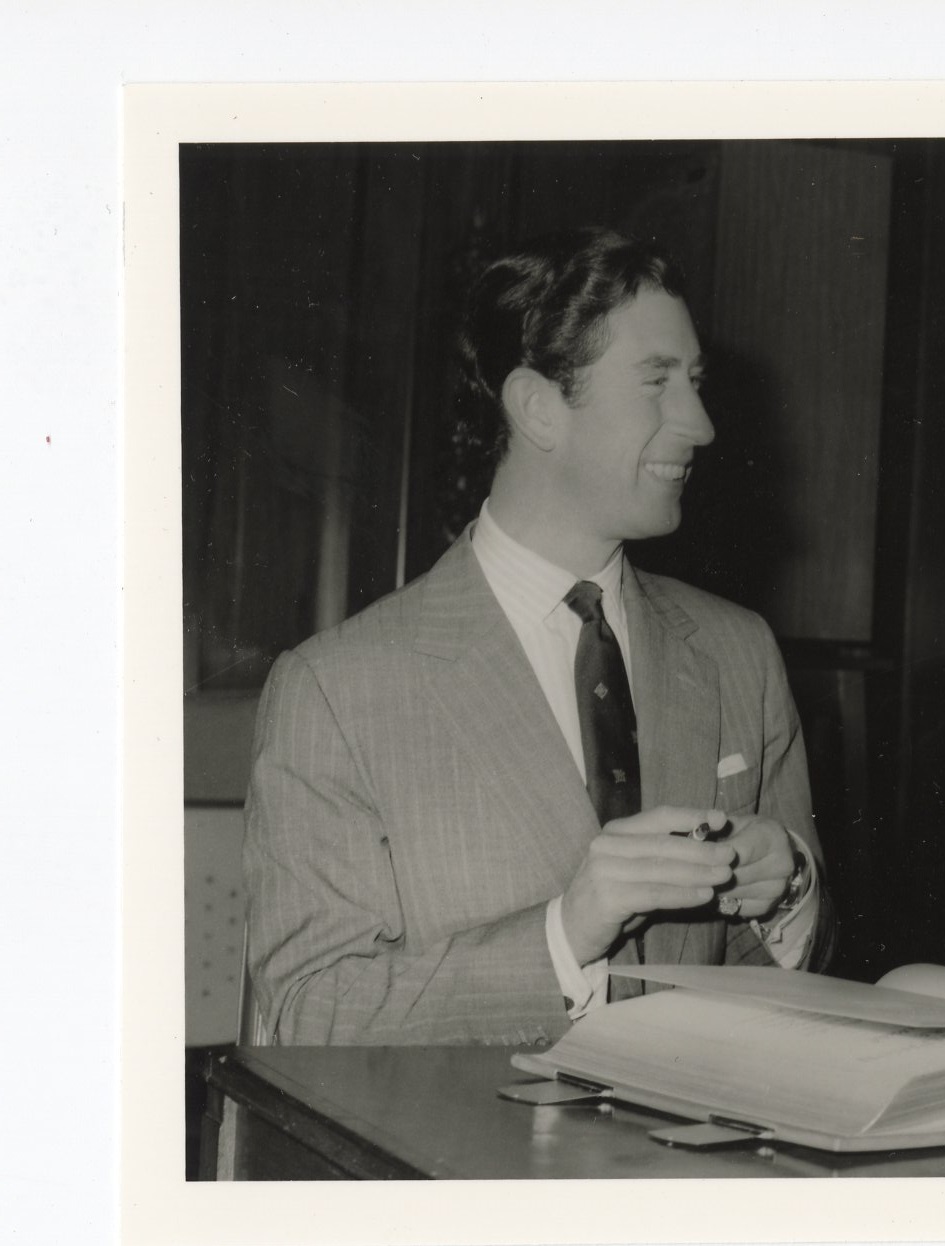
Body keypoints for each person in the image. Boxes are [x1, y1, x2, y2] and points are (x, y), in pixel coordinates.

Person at [244, 226, 830, 1046]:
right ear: (537, 409)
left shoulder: (739, 653)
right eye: (657, 381)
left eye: (694, 382)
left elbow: (784, 1004)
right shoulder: (336, 690)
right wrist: (562, 938)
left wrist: (790, 892)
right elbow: (302, 1017)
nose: (699, 423)